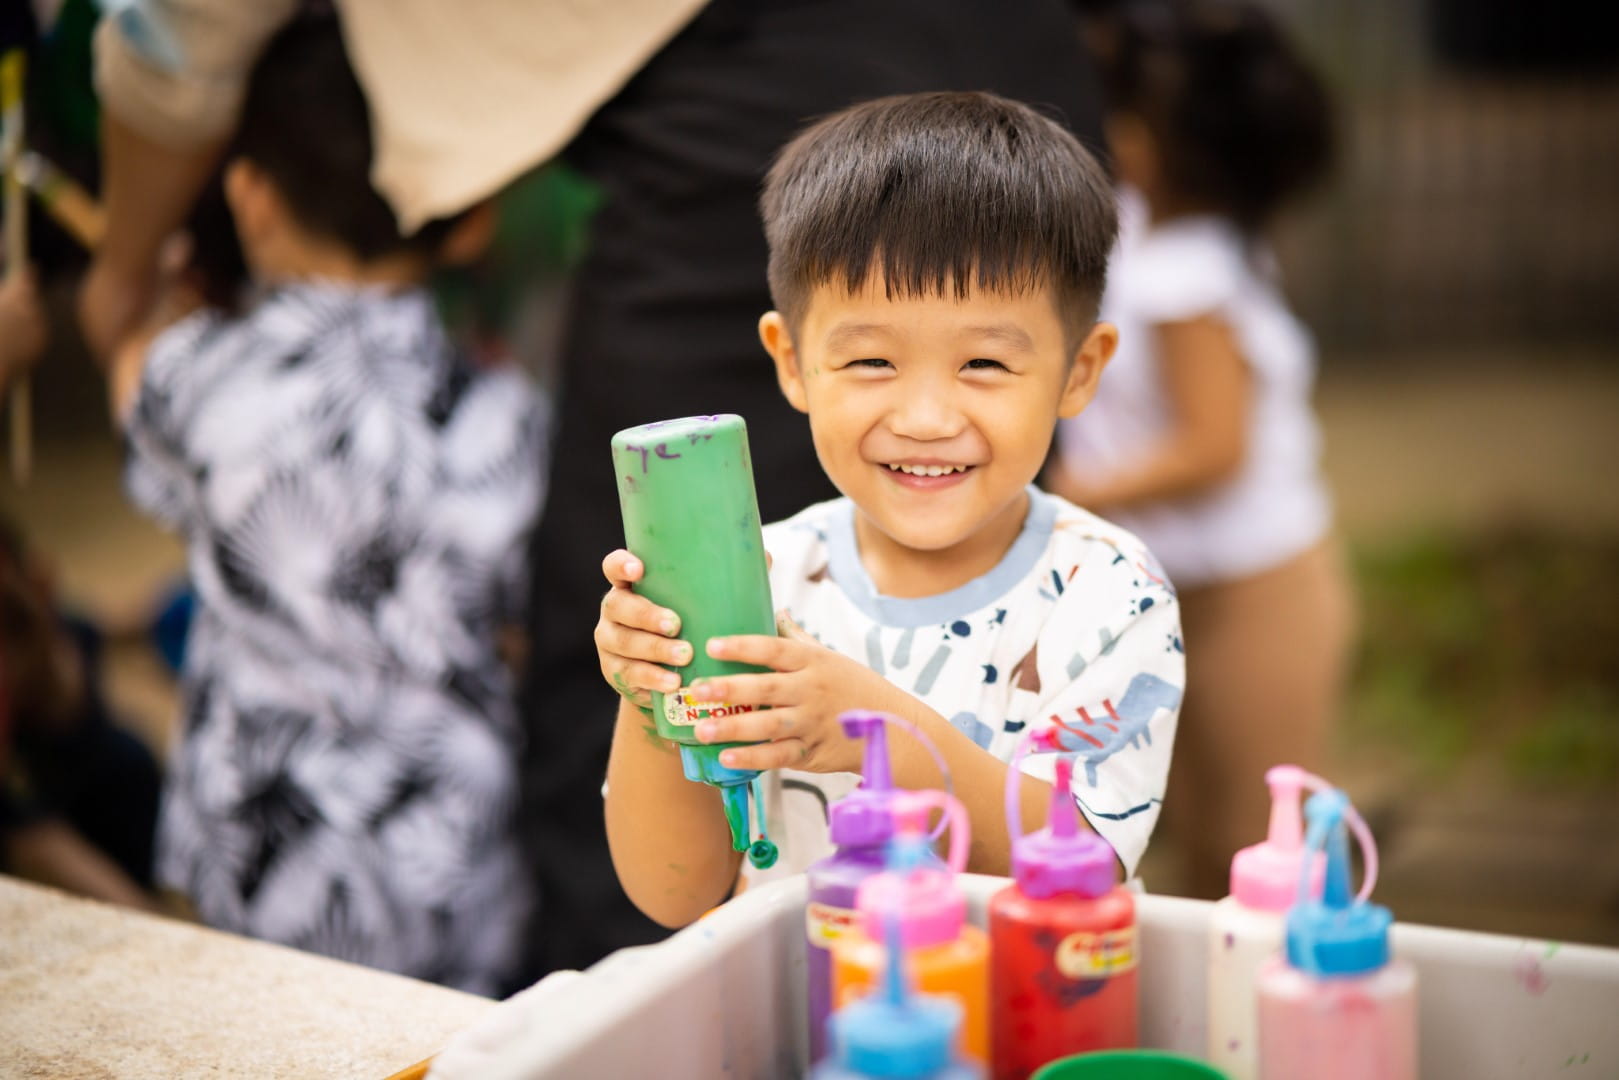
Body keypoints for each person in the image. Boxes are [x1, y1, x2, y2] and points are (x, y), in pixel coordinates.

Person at [594, 91, 1185, 925]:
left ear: (1078, 371)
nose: (926, 418)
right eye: (871, 361)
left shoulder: (1110, 593)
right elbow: (674, 894)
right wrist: (651, 694)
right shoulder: (758, 581)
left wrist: (878, 733)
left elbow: (1082, 868)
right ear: (791, 362)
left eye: (983, 363)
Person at [107, 16, 545, 994]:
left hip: (262, 854)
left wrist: (141, 301)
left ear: (250, 198)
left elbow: (134, 402)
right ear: (469, 217)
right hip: (455, 856)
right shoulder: (510, 417)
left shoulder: (194, 376)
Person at [1049, 0, 1354, 897]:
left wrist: (1068, 488)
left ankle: (1317, 969)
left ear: (1158, 144)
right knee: (1184, 830)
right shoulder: (1147, 230)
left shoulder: (1185, 272)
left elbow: (1214, 447)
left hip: (1249, 588)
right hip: (1174, 585)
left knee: (1259, 839)